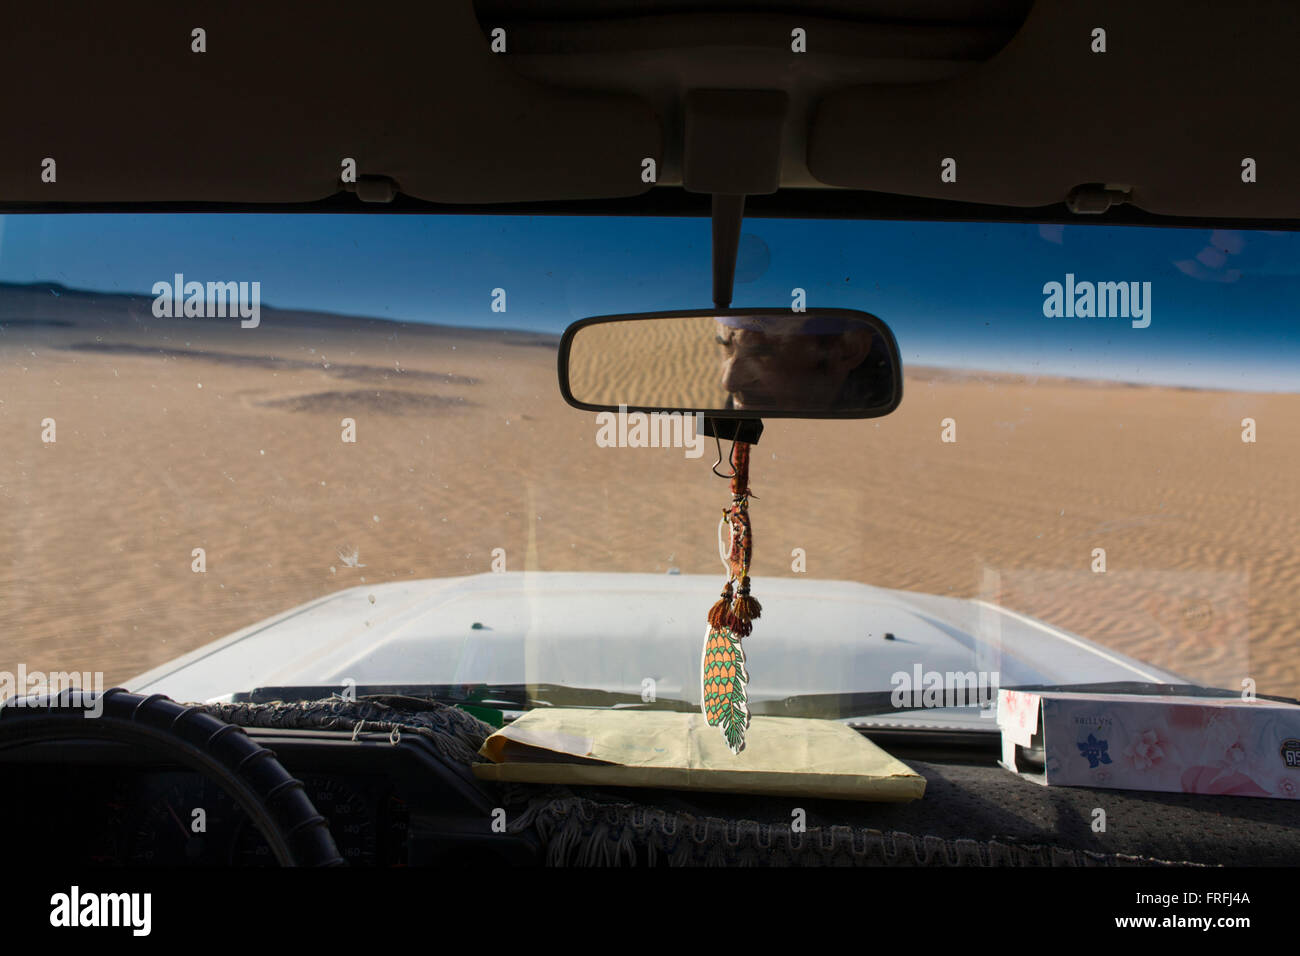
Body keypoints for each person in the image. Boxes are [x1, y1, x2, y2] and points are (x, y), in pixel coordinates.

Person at [714, 313, 892, 411]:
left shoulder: (878, 414)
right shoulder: (747, 399)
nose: (728, 382)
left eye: (761, 353)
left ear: (849, 349)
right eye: (727, 347)